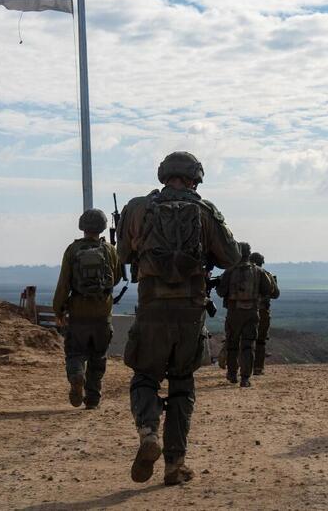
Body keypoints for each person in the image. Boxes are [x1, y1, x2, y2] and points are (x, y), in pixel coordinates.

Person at [116, 151, 241, 486]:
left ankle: (148, 433)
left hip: (152, 307)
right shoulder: (205, 211)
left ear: (164, 175)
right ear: (194, 178)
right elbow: (231, 256)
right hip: (190, 311)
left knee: (145, 376)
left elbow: (123, 256)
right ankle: (174, 465)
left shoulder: (137, 208)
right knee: (183, 382)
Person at [52, 208, 122, 410]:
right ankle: (92, 398)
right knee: (98, 356)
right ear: (101, 228)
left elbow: (64, 283)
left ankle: (76, 375)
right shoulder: (109, 250)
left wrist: (59, 310)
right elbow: (115, 278)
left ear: (82, 226)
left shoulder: (72, 250)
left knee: (75, 353)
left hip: (79, 313)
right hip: (102, 313)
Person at [217, 243, 274, 387]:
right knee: (248, 345)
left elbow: (221, 292)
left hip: (234, 312)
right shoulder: (259, 271)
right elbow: (269, 290)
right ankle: (245, 378)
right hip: (251, 312)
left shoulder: (230, 271)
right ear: (249, 254)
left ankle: (231, 374)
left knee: (232, 344)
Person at [249, 251, 280, 375]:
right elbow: (276, 294)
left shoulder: (238, 273)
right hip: (262, 312)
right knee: (260, 340)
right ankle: (258, 368)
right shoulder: (267, 275)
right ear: (261, 263)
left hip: (243, 311)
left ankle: (242, 367)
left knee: (245, 339)